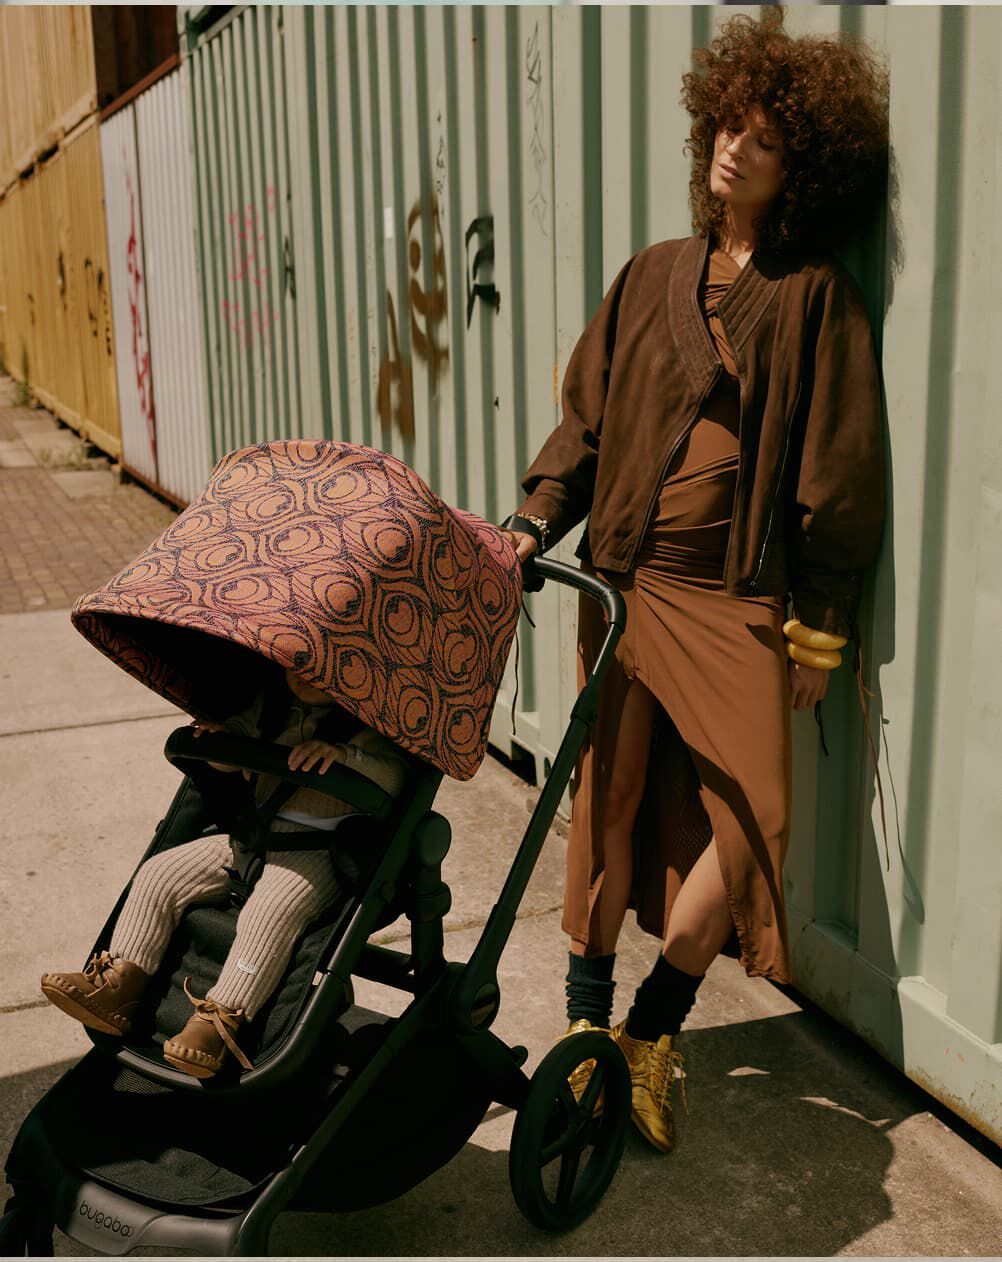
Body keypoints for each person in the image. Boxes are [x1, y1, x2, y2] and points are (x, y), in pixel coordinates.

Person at [502, 10, 889, 1152]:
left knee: (758, 817)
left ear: (801, 168)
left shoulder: (818, 295)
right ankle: (588, 1041)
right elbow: (584, 416)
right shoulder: (652, 274)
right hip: (622, 579)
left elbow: (839, 470)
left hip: (730, 597)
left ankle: (651, 1030)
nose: (734, 149)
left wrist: (819, 627)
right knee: (604, 810)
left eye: (764, 140)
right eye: (727, 127)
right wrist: (535, 519)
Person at [41, 665, 408, 1079]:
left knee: (269, 912)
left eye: (317, 671)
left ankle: (219, 1023)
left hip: (317, 852)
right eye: (294, 668)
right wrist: (218, 743)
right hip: (249, 838)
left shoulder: (369, 722)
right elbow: (233, 745)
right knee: (160, 875)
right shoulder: (270, 707)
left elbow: (393, 776)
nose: (302, 678)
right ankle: (120, 984)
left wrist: (344, 757)